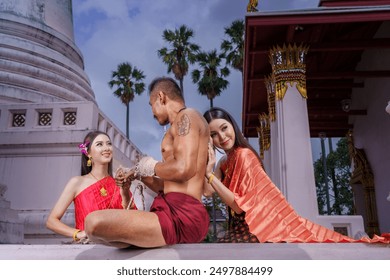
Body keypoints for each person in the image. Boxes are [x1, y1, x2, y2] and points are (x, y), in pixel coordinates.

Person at [203, 107, 389, 243]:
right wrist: (210, 167)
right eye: (213, 134)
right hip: (238, 228)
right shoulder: (223, 163)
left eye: (224, 128)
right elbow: (207, 192)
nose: (222, 137)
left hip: (256, 229)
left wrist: (210, 176)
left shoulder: (244, 155)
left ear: (232, 126)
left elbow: (237, 206)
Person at [84, 77, 210, 248]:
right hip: (171, 209)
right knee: (107, 237)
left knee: (93, 222)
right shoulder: (177, 126)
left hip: (184, 214)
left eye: (151, 105)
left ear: (161, 97)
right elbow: (166, 186)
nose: (152, 112)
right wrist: (138, 175)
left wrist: (149, 166)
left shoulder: (187, 116)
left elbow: (184, 169)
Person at [46, 130, 136, 243]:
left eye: (109, 143)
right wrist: (78, 234)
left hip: (116, 250)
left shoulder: (120, 184)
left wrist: (125, 192)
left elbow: (133, 220)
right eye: (99, 144)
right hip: (87, 250)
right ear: (88, 153)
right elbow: (51, 221)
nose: (106, 148)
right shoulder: (77, 183)